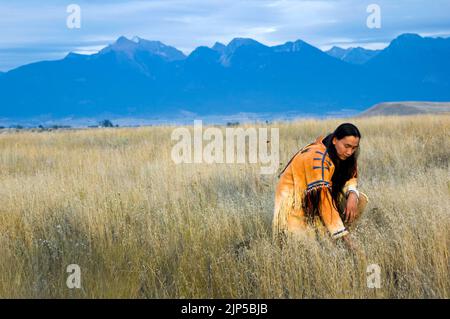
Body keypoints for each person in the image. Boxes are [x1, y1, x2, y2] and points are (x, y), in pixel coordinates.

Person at [272, 123, 368, 249]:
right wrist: (348, 240)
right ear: (334, 140)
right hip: (295, 203)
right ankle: (338, 235)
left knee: (360, 200)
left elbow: (351, 178)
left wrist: (352, 193)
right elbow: (323, 201)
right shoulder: (317, 158)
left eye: (354, 148)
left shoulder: (343, 154)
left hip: (317, 199)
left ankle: (337, 235)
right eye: (347, 146)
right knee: (305, 249)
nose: (350, 152)